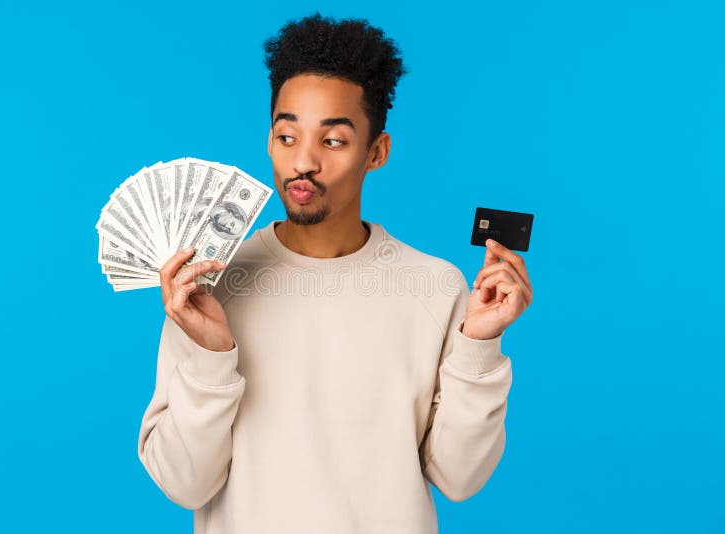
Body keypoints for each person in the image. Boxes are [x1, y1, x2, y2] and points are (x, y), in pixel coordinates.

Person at [137, 12, 533, 534]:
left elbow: (459, 478)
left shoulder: (436, 287)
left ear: (376, 152)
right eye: (286, 136)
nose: (303, 162)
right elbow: (183, 484)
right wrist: (212, 357)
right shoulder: (208, 286)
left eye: (332, 141)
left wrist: (480, 346)